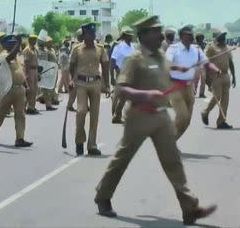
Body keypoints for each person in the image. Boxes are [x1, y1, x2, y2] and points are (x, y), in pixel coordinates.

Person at [93, 16, 217, 225]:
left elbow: (169, 69)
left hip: (160, 116)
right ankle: (103, 197)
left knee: (173, 162)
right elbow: (121, 89)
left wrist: (182, 69)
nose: (161, 35)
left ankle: (190, 208)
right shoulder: (134, 59)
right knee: (122, 158)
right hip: (139, 116)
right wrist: (145, 95)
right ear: (144, 36)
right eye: (156, 31)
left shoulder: (161, 57)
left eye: (160, 31)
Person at [166, 26, 221, 140]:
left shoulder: (196, 49)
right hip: (175, 86)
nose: (191, 37)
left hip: (189, 87)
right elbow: (166, 64)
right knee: (182, 116)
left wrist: (216, 70)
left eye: (192, 35)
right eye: (188, 35)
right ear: (181, 37)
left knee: (186, 122)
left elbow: (206, 63)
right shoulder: (173, 49)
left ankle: (171, 140)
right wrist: (178, 67)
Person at [69, 23, 110, 156]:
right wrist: (71, 79)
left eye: (93, 33)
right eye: (89, 33)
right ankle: (79, 141)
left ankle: (92, 145)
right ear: (84, 34)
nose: (92, 36)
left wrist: (107, 84)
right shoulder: (77, 49)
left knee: (94, 115)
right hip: (81, 83)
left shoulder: (100, 49)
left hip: (95, 84)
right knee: (81, 111)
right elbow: (72, 65)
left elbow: (105, 66)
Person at [0, 35, 32, 147]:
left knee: (20, 115)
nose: (14, 45)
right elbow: (9, 56)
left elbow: (20, 72)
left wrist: (26, 86)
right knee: (1, 114)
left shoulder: (16, 57)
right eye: (12, 43)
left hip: (19, 89)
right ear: (5, 45)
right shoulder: (2, 56)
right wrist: (18, 44)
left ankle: (20, 138)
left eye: (15, 43)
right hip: (7, 90)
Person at [201, 29, 236, 129]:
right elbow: (205, 63)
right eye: (221, 37)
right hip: (215, 76)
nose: (224, 38)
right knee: (218, 96)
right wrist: (207, 78)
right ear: (217, 38)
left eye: (224, 36)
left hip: (225, 75)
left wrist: (234, 76)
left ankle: (221, 122)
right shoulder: (211, 47)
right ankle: (205, 112)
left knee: (225, 100)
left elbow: (230, 62)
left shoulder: (226, 48)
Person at [110, 26, 135, 124]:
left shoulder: (132, 47)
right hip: (121, 74)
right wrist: (111, 76)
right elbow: (112, 62)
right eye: (129, 35)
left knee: (125, 96)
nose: (131, 37)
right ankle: (116, 115)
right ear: (124, 36)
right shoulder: (118, 47)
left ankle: (117, 115)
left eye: (132, 35)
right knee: (124, 95)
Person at [37, 35, 57, 111]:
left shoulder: (46, 51)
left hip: (45, 71)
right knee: (33, 90)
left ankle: (48, 105)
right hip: (37, 71)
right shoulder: (37, 50)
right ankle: (29, 106)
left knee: (45, 89)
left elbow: (48, 62)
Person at [66, 29, 83, 112]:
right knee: (74, 89)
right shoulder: (76, 46)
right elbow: (71, 61)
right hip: (76, 69)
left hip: (83, 69)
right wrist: (72, 76)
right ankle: (69, 105)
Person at [23, 34, 40, 115]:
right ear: (29, 40)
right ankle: (27, 108)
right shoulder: (27, 50)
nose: (34, 41)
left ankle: (32, 106)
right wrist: (26, 75)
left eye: (35, 39)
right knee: (30, 90)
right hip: (29, 70)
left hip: (35, 70)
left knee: (35, 90)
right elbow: (25, 63)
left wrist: (38, 73)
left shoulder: (35, 49)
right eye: (33, 39)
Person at [195, 33, 207, 98]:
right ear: (197, 39)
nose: (202, 39)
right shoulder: (194, 45)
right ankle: (194, 91)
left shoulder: (203, 44)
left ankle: (201, 93)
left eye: (202, 38)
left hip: (202, 63)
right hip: (196, 64)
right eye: (200, 38)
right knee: (196, 79)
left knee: (203, 78)